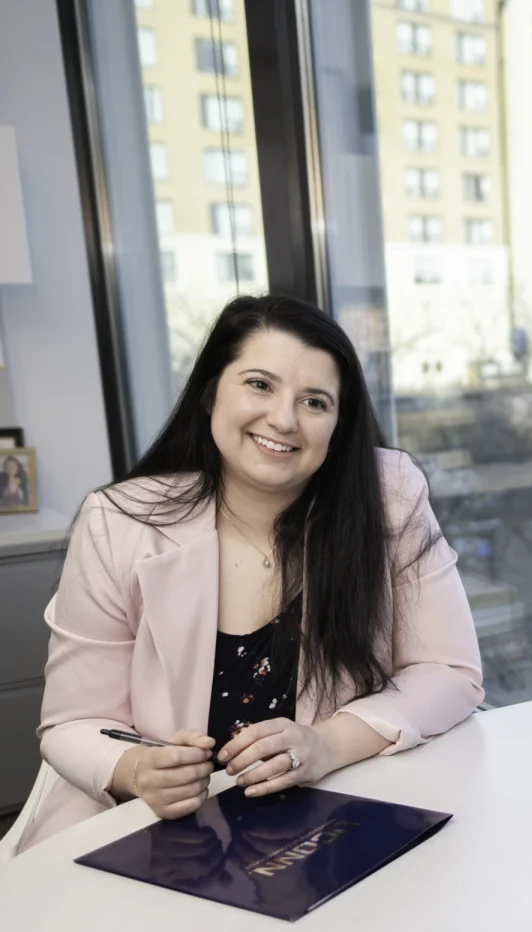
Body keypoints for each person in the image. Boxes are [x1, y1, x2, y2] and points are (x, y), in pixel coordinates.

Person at [19, 294, 482, 852]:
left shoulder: (387, 494)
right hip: (154, 834)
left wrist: (326, 744)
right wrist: (138, 770)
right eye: (259, 385)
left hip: (325, 826)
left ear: (339, 423)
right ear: (212, 391)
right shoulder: (119, 521)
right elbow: (71, 723)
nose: (284, 419)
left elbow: (450, 671)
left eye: (315, 402)